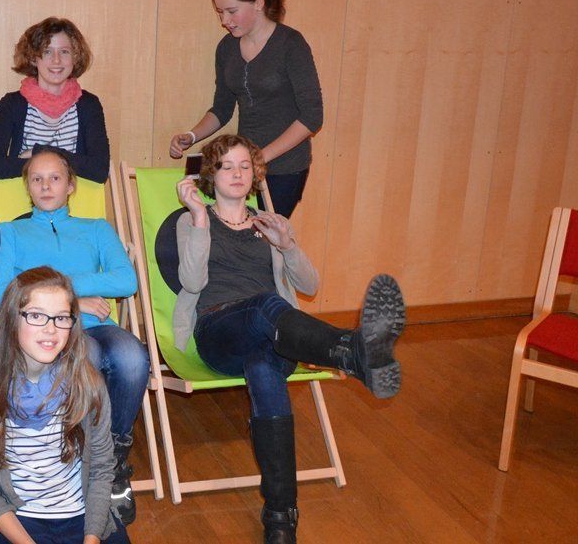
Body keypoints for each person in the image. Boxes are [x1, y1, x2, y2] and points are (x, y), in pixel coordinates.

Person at [173, 134, 405, 544]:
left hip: (275, 336)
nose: (237, 173)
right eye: (227, 166)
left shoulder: (271, 222)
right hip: (218, 332)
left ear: (255, 173)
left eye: (245, 165)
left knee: (265, 369)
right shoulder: (191, 220)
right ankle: (351, 351)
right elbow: (191, 281)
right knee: (265, 304)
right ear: (211, 173)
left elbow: (310, 285)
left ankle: (280, 516)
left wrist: (288, 245)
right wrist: (198, 220)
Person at [0, 149, 146, 526]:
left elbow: (126, 280)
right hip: (49, 331)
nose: (46, 186)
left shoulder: (96, 229)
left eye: (55, 178)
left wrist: (67, 287)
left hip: (97, 323)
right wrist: (70, 299)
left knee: (133, 357)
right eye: (37, 179)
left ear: (71, 185)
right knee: (86, 357)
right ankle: (81, 459)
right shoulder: (10, 232)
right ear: (28, 187)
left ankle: (113, 459)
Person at [0, 266, 127, 544]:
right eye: (36, 315)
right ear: (12, 319)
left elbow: (100, 467)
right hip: (20, 522)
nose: (51, 329)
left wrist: (92, 537)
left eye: (61, 317)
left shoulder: (87, 384)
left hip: (84, 516)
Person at [169, 0, 324, 218]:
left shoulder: (291, 44)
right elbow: (222, 109)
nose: (224, 21)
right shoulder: (226, 48)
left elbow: (312, 116)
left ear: (259, 4)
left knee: (267, 236)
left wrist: (259, 157)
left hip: (285, 168)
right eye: (220, 13)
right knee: (238, 234)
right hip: (243, 167)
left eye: (232, 11)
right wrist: (191, 135)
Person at [0, 17, 110, 183]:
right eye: (47, 51)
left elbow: (100, 170)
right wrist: (63, 162)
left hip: (74, 199)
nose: (56, 60)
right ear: (33, 58)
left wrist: (39, 152)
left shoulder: (89, 105)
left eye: (64, 52)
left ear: (75, 57)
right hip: (23, 199)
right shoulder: (12, 104)